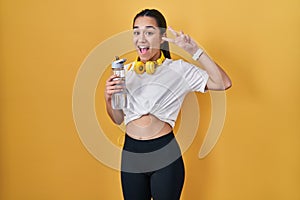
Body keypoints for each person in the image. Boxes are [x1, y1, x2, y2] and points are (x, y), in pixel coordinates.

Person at [104, 8, 231, 200]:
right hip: (131, 155)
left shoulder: (178, 69)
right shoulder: (126, 72)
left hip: (164, 155)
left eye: (149, 32)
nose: (141, 38)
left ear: (162, 37)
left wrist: (195, 52)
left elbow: (223, 83)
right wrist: (108, 97)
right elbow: (117, 118)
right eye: (136, 32)